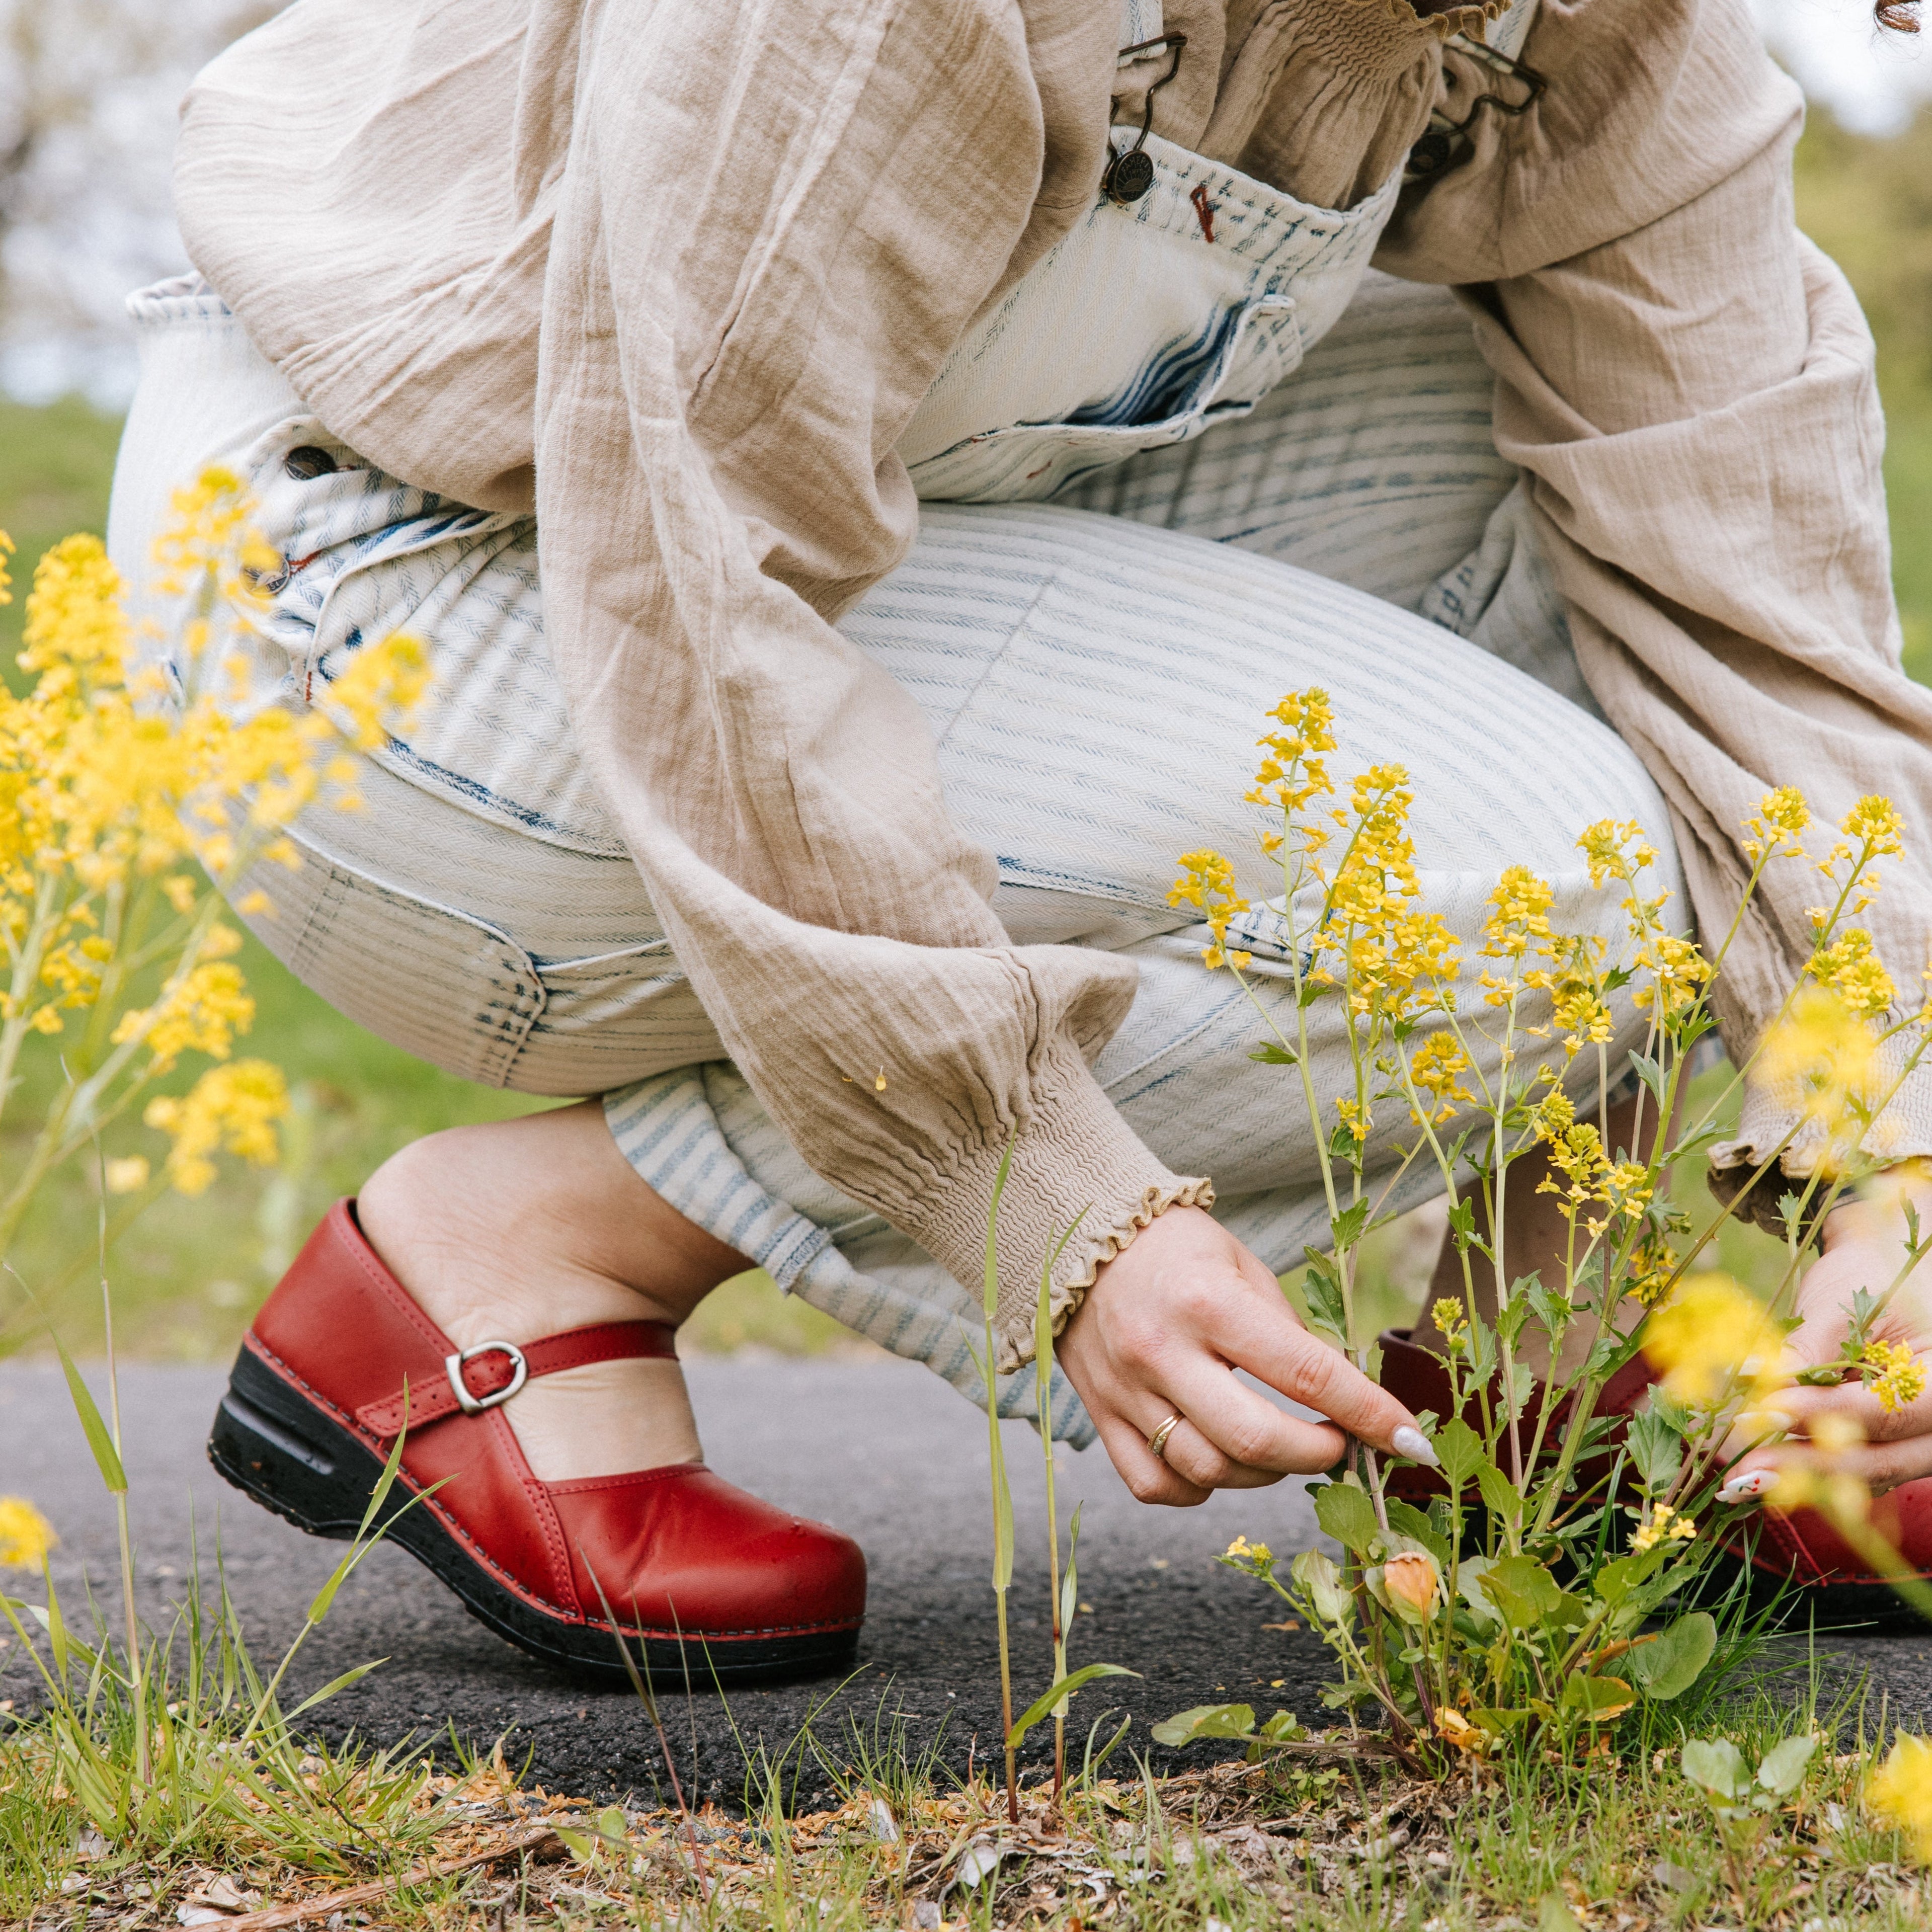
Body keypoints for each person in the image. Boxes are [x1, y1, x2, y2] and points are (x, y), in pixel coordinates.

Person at [106, 0, 1932, 1681]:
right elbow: (691, 567)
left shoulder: (1590, 30)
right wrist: (1041, 1195)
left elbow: (1754, 599)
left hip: (823, 526)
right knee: (1572, 895)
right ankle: (525, 1248)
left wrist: (1897, 1175)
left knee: (1604, 468)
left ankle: (1519, 1426)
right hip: (419, 592)